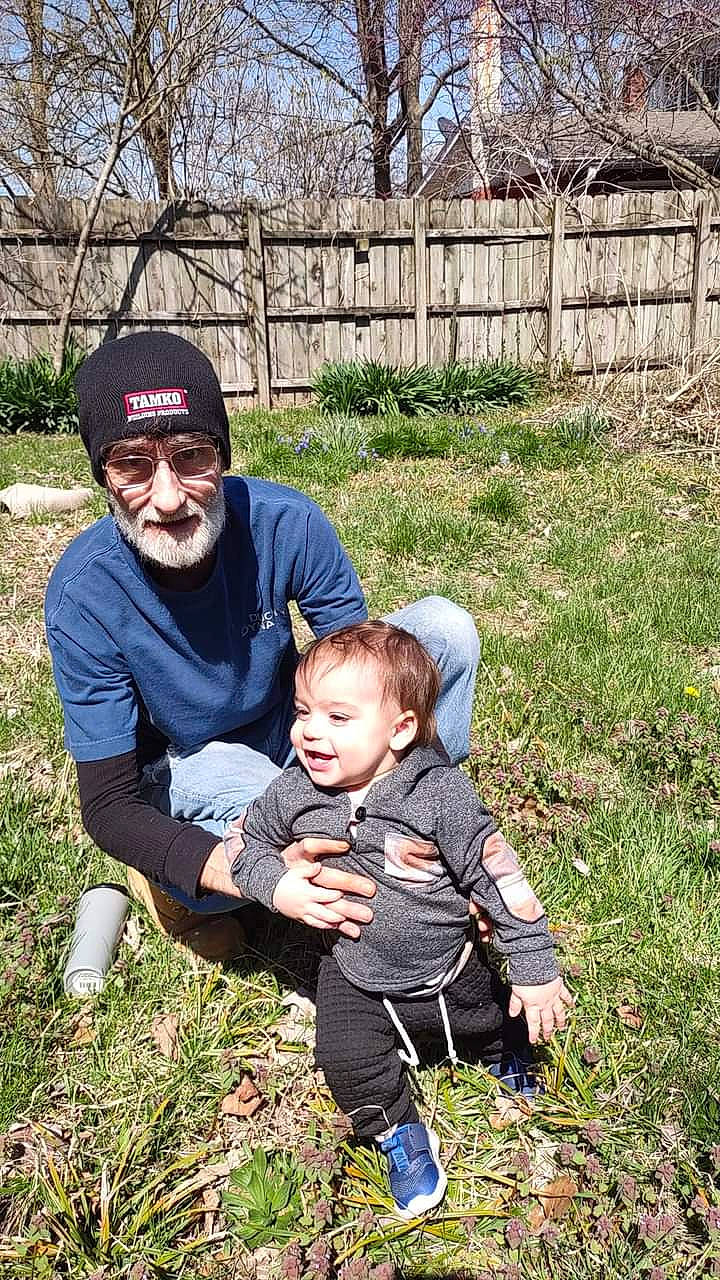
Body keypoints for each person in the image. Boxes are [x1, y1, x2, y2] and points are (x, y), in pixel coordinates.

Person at [44, 331, 481, 961]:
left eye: (191, 457)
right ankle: (178, 889)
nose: (168, 497)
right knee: (271, 826)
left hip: (289, 723)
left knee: (444, 629)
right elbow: (109, 805)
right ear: (103, 476)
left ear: (222, 456)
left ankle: (419, 814)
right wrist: (240, 871)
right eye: (133, 465)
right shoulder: (85, 593)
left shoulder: (286, 522)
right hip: (191, 762)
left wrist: (436, 840)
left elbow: (365, 679)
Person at [231, 621, 573, 1219]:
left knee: (494, 1020)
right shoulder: (293, 791)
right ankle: (398, 1131)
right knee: (345, 1059)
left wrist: (534, 965)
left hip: (447, 964)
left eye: (338, 717)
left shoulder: (440, 795)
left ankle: (506, 1055)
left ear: (400, 730)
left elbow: (497, 876)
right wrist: (279, 885)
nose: (310, 731)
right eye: (303, 711)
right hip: (353, 968)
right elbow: (246, 845)